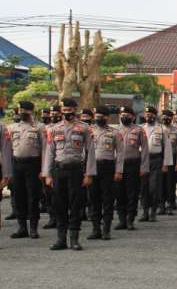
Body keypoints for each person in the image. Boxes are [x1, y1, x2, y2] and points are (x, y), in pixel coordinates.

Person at [42, 98, 96, 251]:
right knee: (59, 204)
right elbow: (49, 152)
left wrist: (89, 173)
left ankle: (74, 239)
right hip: (59, 170)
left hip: (76, 170)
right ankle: (61, 239)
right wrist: (47, 174)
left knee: (75, 204)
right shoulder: (54, 128)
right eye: (64, 110)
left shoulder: (84, 128)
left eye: (70, 110)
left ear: (75, 110)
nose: (67, 113)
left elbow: (91, 151)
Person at [7, 101, 45, 239]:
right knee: (18, 196)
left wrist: (43, 170)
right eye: (20, 110)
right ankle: (22, 227)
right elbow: (8, 149)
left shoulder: (39, 127)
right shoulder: (12, 127)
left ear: (31, 111)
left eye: (25, 110)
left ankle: (33, 228)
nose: (22, 112)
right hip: (17, 164)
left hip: (33, 164)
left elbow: (45, 149)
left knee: (33, 196)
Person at [87, 105, 122, 240]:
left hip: (108, 167)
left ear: (107, 117)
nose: (98, 118)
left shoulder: (114, 133)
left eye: (101, 116)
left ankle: (106, 229)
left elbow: (120, 153)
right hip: (92, 167)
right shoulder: (89, 131)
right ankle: (96, 229)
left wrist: (118, 171)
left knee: (108, 199)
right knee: (93, 199)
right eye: (97, 116)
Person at [115, 106, 148, 231]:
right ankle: (121, 220)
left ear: (133, 117)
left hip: (133, 164)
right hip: (118, 165)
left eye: (128, 115)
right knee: (119, 193)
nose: (125, 117)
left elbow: (145, 149)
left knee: (132, 193)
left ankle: (130, 219)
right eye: (122, 115)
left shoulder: (139, 130)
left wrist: (144, 167)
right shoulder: (115, 130)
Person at [138, 105, 171, 223]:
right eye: (147, 115)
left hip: (156, 160)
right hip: (142, 160)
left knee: (154, 188)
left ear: (155, 116)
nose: (149, 117)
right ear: (144, 115)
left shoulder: (161, 129)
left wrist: (165, 164)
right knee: (144, 188)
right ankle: (145, 212)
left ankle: (153, 212)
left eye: (151, 115)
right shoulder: (140, 128)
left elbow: (167, 147)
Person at [41, 104, 62, 230]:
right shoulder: (45, 129)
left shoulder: (64, 127)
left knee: (61, 193)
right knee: (48, 193)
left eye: (56, 113)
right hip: (47, 163)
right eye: (52, 114)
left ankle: (63, 218)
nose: (53, 116)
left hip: (60, 163)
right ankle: (52, 218)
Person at [158, 110, 177, 216]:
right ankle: (161, 205)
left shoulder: (176, 130)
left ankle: (170, 205)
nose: (166, 119)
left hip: (172, 159)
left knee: (170, 183)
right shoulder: (157, 129)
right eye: (164, 116)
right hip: (159, 158)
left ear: (172, 118)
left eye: (168, 117)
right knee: (160, 183)